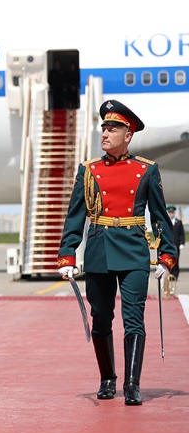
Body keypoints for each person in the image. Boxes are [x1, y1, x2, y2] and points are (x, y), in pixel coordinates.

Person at [57, 99, 175, 406]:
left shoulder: (146, 170)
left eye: (112, 128)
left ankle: (132, 384)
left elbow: (161, 217)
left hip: (135, 250)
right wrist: (67, 255)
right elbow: (75, 217)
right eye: (104, 128)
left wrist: (167, 256)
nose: (105, 133)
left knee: (134, 318)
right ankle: (107, 378)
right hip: (99, 250)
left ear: (129, 134)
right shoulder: (88, 170)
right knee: (101, 318)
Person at [168, 205, 183, 282]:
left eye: (172, 212)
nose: (171, 214)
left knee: (176, 260)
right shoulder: (166, 222)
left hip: (176, 244)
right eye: (170, 212)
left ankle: (175, 275)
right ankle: (169, 275)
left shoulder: (178, 222)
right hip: (169, 244)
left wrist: (182, 243)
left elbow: (182, 233)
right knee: (169, 259)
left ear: (174, 213)